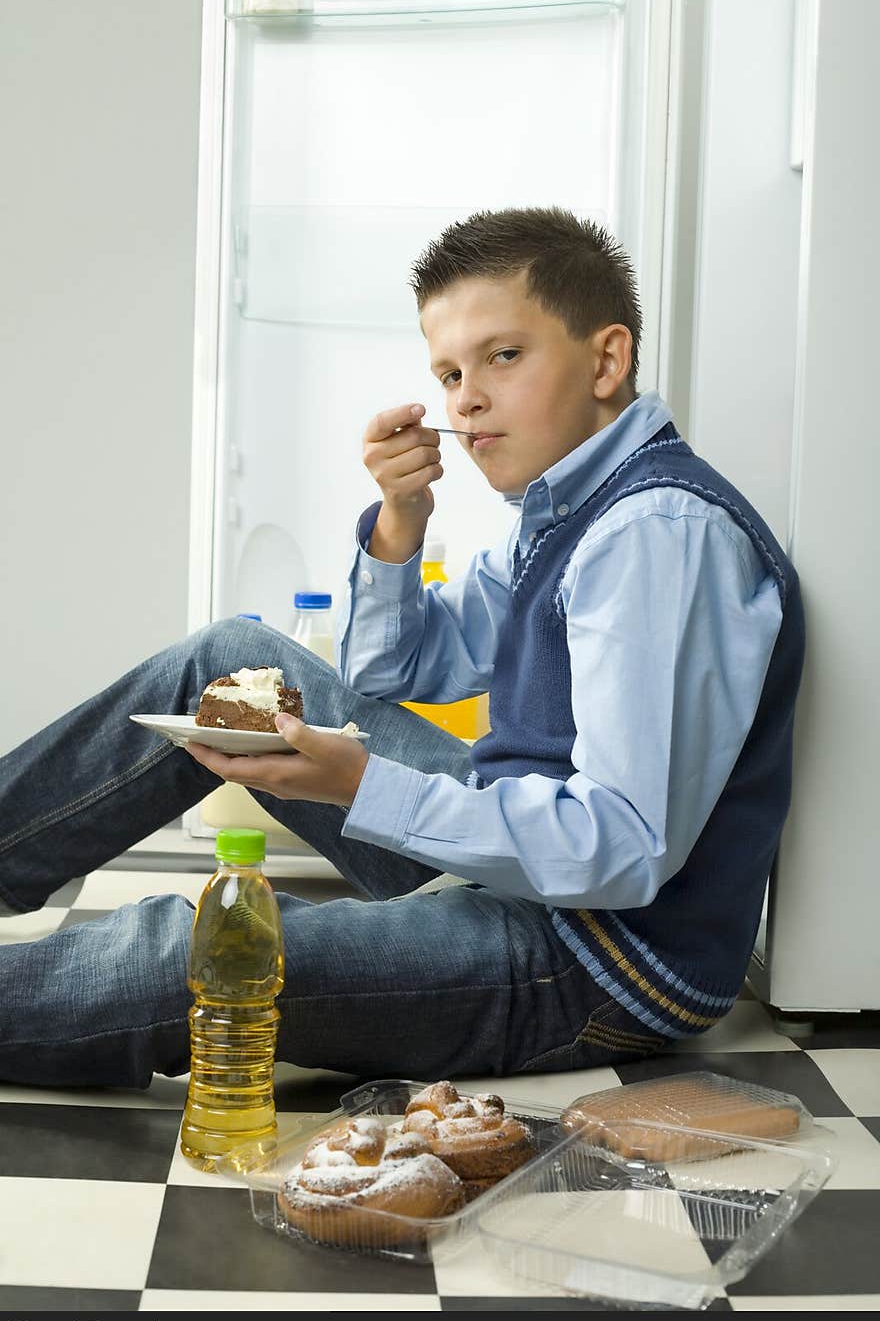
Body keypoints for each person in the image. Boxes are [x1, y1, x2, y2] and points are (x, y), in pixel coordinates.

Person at [0, 207, 803, 1089]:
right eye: (450, 371)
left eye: (503, 356)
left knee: (192, 952)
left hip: (606, 958)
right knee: (232, 657)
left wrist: (359, 783)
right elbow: (391, 675)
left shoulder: (655, 535)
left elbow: (621, 849)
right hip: (533, 863)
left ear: (607, 361)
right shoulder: (566, 507)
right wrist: (399, 523)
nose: (467, 397)